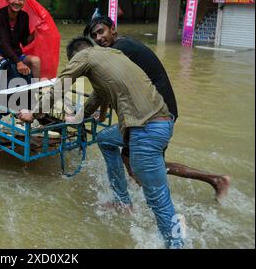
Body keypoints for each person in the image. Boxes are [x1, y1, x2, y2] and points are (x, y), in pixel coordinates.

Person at [19, 37, 184, 248]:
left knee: (159, 201)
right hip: (160, 121)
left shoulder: (84, 56)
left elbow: (60, 87)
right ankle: (122, 201)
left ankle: (177, 244)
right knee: (105, 139)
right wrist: (81, 117)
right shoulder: (113, 55)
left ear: (76, 56)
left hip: (145, 129)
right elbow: (99, 94)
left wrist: (33, 114)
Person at [83, 16, 231, 201]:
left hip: (154, 115)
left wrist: (82, 115)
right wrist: (103, 114)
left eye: (101, 31)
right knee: (140, 163)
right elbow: (109, 87)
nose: (98, 38)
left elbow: (101, 89)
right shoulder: (123, 46)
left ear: (113, 29)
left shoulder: (119, 51)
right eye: (94, 35)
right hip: (159, 112)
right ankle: (213, 180)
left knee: (125, 155)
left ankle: (136, 200)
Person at [0, 0, 42, 79]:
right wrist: (18, 62)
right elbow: (3, 43)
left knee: (35, 61)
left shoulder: (24, 16)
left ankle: (34, 92)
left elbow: (24, 41)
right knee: (0, 61)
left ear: (24, 1)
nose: (17, 2)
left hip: (16, 54)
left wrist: (37, 31)